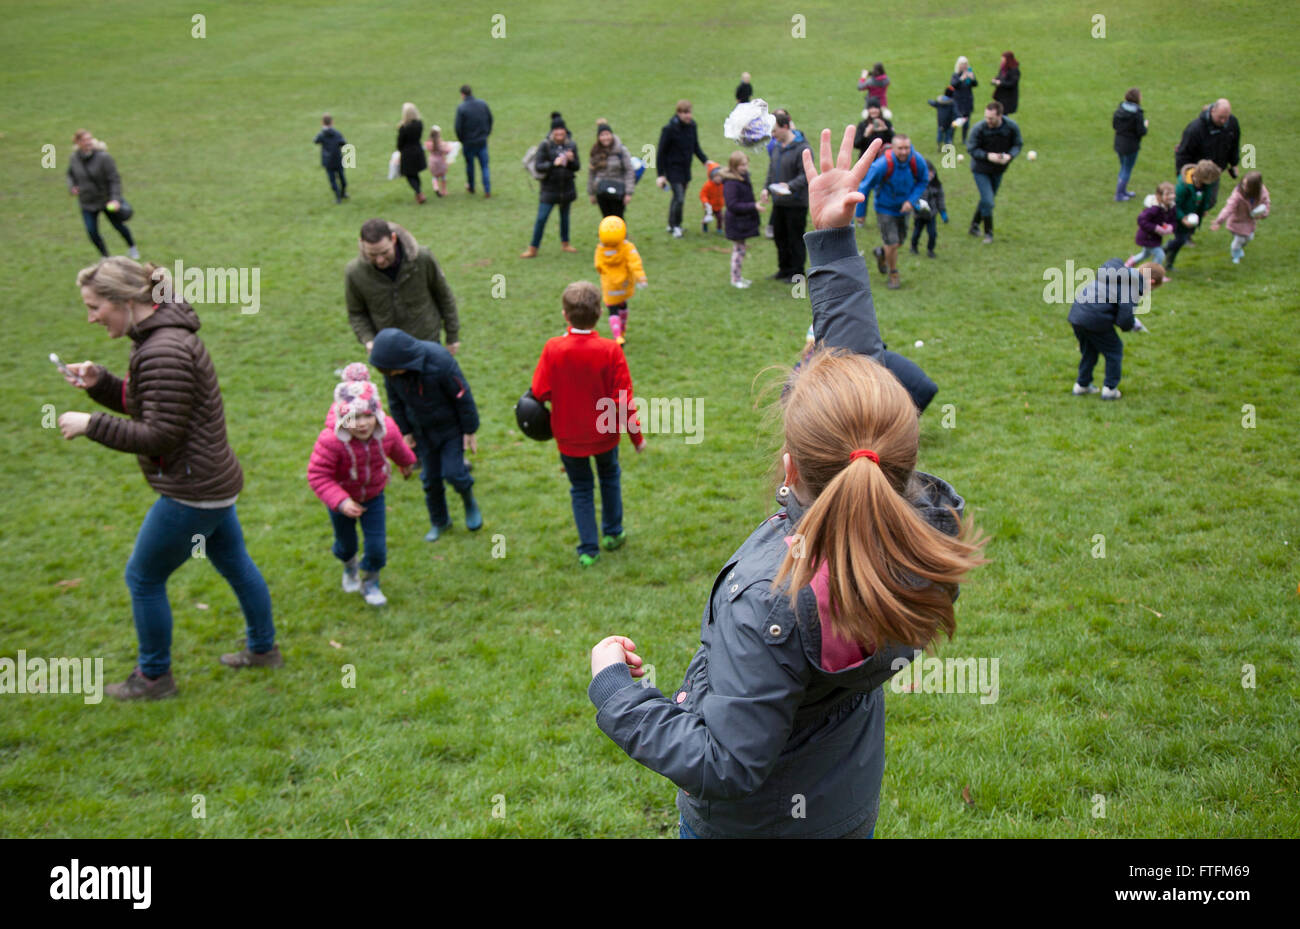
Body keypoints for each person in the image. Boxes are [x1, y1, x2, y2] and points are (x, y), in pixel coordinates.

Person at [586, 127, 986, 838]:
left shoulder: (769, 599)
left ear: (791, 468)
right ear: (899, 450)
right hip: (841, 798)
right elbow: (857, 388)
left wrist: (614, 687)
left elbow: (723, 759)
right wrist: (830, 242)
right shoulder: (921, 521)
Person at [56, 258, 279, 699]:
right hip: (212, 481)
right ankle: (263, 650)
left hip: (192, 491)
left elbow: (158, 432)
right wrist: (101, 382)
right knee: (235, 563)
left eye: (95, 306)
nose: (91, 317)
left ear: (124, 300)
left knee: (143, 578)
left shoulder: (163, 349)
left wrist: (91, 424)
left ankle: (154, 678)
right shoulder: (159, 338)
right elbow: (154, 403)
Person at [530, 281, 647, 565]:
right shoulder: (610, 351)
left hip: (569, 438)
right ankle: (613, 533)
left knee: (581, 488)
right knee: (609, 478)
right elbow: (623, 401)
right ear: (598, 313)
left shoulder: (553, 348)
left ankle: (588, 550)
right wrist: (637, 438)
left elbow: (539, 391)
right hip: (604, 436)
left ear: (565, 314)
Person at [307, 364, 416, 606]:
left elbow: (397, 446)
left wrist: (407, 462)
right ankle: (349, 566)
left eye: (367, 416)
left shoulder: (385, 430)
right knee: (346, 545)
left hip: (374, 495)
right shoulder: (331, 441)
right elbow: (317, 475)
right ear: (342, 417)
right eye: (353, 417)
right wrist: (341, 501)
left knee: (377, 547)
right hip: (342, 499)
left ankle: (371, 581)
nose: (362, 424)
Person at [368, 328, 481, 541]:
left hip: (450, 429)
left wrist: (469, 430)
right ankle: (440, 521)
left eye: (390, 371)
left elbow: (462, 395)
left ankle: (469, 501)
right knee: (430, 480)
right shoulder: (392, 372)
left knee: (454, 473)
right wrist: (406, 431)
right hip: (422, 432)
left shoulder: (439, 361)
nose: (388, 376)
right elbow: (395, 402)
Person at [345, 219, 461, 354]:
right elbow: (356, 313)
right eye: (372, 255)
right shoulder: (355, 273)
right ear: (362, 243)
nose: (380, 260)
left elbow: (444, 296)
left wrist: (452, 336)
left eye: (384, 252)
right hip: (390, 350)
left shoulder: (423, 259)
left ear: (393, 239)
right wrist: (369, 340)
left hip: (428, 343)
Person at [1068, 259, 1163, 400]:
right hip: (1095, 319)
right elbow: (1124, 318)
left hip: (1077, 316)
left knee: (1090, 351)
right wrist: (1132, 325)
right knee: (1114, 351)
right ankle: (1110, 389)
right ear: (1151, 282)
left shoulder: (1116, 273)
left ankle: (1082, 385)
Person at [858, 135, 929, 289]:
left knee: (899, 242)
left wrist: (911, 201)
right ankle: (893, 274)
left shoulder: (916, 161)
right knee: (892, 243)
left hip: (904, 208)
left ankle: (881, 253)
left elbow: (923, 180)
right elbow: (864, 187)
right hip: (885, 209)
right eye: (900, 148)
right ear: (893, 148)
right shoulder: (881, 165)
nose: (904, 152)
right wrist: (860, 214)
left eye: (907, 148)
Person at [67, 129, 138, 259]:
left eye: (90, 139)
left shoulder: (103, 158)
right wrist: (72, 187)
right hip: (87, 202)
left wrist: (115, 199)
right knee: (92, 231)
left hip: (106, 200)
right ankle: (105, 256)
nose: (88, 142)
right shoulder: (74, 158)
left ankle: (132, 247)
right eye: (84, 140)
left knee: (119, 226)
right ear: (78, 142)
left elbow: (114, 179)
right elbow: (70, 175)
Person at [761, 112, 812, 282]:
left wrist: (789, 186)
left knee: (795, 239)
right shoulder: (777, 146)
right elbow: (771, 170)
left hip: (796, 202)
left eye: (774, 131)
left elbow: (806, 175)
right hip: (779, 201)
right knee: (779, 236)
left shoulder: (803, 148)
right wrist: (766, 189)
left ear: (785, 127)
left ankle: (797, 274)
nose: (772, 135)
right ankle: (784, 269)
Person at [1174, 98, 1240, 229]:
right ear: (1213, 111)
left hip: (1214, 173)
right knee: (1191, 202)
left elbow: (1234, 144)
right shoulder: (1195, 129)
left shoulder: (1232, 123)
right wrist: (1182, 176)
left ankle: (1193, 218)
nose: (1224, 121)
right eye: (1221, 117)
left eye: (1226, 117)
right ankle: (1185, 229)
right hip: (1196, 174)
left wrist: (1234, 163)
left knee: (1209, 201)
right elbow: (1183, 153)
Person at [521, 113, 581, 258]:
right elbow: (539, 166)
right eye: (557, 131)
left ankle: (565, 243)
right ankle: (533, 248)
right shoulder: (545, 145)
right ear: (553, 132)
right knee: (541, 218)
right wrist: (554, 164)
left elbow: (577, 167)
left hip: (566, 188)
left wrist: (572, 160)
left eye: (562, 131)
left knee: (565, 218)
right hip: (549, 190)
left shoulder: (571, 145)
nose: (560, 134)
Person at [964, 100, 1022, 244]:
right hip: (980, 169)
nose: (988, 120)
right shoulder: (979, 128)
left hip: (999, 170)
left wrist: (1010, 156)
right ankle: (988, 233)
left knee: (986, 199)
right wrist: (987, 156)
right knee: (988, 201)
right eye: (986, 117)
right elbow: (971, 148)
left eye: (991, 118)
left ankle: (974, 225)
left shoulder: (1011, 127)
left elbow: (1017, 144)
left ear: (1000, 116)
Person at [655, 100, 710, 238]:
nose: (688, 116)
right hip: (673, 169)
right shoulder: (669, 129)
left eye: (689, 112)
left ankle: (671, 223)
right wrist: (660, 174)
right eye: (684, 113)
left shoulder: (692, 126)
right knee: (679, 198)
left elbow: (695, 146)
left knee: (678, 198)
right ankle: (676, 226)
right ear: (678, 113)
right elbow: (661, 152)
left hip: (686, 168)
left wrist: (705, 161)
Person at [594, 216, 648, 344]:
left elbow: (598, 266)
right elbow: (635, 262)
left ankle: (617, 336)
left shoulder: (601, 249)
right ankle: (623, 330)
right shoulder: (627, 246)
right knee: (623, 305)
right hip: (624, 284)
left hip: (610, 285)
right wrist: (641, 277)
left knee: (613, 310)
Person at [1163, 159, 1221, 272]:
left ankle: (1169, 263)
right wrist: (1182, 218)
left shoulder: (1205, 185)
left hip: (1191, 217)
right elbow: (1175, 205)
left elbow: (1205, 197)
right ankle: (1161, 251)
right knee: (1179, 240)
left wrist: (1203, 209)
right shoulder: (1183, 187)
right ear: (1202, 177)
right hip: (1180, 218)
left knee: (1181, 241)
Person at [722, 150, 764, 288]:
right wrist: (753, 206)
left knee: (741, 250)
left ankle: (738, 277)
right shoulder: (731, 183)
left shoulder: (743, 177)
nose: (745, 167)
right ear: (734, 166)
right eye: (742, 165)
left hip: (742, 221)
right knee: (739, 252)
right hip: (736, 222)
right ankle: (735, 279)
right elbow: (732, 205)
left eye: (746, 164)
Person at [1209, 170, 1270, 264]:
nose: (1244, 187)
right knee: (1239, 240)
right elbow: (1228, 208)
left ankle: (1239, 249)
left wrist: (1263, 214)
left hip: (1250, 221)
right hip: (1237, 221)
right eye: (1243, 184)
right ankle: (1235, 255)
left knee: (1249, 238)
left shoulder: (1262, 192)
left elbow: (1266, 203)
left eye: (1247, 186)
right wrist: (1219, 221)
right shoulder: (1238, 195)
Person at [587, 120, 636, 219]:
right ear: (598, 137)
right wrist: (591, 193)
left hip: (618, 190)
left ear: (611, 135)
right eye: (602, 135)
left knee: (618, 218)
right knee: (606, 219)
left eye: (607, 134)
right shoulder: (595, 151)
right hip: (601, 190)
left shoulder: (621, 150)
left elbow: (629, 171)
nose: (605, 138)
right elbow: (592, 173)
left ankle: (622, 235)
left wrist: (628, 192)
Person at [454, 84, 493, 198]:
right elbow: (490, 119)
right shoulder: (482, 104)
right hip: (482, 141)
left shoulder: (462, 108)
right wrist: (486, 133)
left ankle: (471, 187)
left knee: (470, 166)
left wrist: (462, 140)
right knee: (484, 166)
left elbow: (458, 127)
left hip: (469, 142)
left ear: (462, 94)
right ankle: (487, 190)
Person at [1126, 182, 1176, 267]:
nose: (1171, 196)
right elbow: (1141, 220)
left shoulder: (1171, 207)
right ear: (1159, 196)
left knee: (1146, 254)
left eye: (1172, 193)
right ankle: (1153, 274)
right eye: (1167, 194)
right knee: (1160, 255)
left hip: (1155, 237)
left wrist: (1171, 227)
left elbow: (1173, 220)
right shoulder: (1154, 209)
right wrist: (1156, 228)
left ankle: (1130, 262)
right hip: (1147, 236)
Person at [1111, 88, 1148, 201]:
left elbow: (1114, 125)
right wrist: (1145, 125)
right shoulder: (1137, 114)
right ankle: (1119, 195)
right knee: (1126, 169)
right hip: (1131, 146)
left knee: (1123, 167)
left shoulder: (1119, 110)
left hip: (1119, 143)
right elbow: (1141, 132)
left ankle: (1123, 191)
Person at [910, 163, 948, 258]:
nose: (930, 175)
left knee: (932, 233)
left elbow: (940, 198)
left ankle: (930, 250)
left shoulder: (937, 185)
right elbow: (911, 198)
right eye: (928, 173)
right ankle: (913, 246)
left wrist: (942, 211)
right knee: (917, 232)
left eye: (932, 173)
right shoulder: (916, 185)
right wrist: (916, 206)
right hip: (919, 215)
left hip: (931, 215)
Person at [396, 103, 426, 204]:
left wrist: (399, 150)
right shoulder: (419, 124)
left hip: (407, 154)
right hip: (417, 151)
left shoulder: (404, 127)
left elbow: (400, 142)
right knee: (415, 173)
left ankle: (418, 192)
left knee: (409, 175)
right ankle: (419, 192)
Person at [314, 114, 348, 204]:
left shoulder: (322, 134)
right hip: (337, 159)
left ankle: (338, 197)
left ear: (322, 122)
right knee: (342, 177)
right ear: (332, 122)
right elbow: (343, 142)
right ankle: (343, 193)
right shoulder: (336, 133)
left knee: (332, 180)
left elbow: (316, 140)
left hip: (328, 161)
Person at [950, 56, 978, 144]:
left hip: (967, 101)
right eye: (962, 64)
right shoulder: (955, 75)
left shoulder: (969, 73)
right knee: (956, 120)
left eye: (965, 64)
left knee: (966, 121)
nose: (964, 66)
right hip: (958, 101)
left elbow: (975, 84)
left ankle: (964, 139)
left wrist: (972, 78)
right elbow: (953, 85)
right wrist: (961, 78)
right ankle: (950, 138)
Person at [425, 125, 452, 198]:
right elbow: (447, 151)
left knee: (435, 176)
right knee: (443, 176)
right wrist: (449, 146)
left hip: (432, 162)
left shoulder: (429, 143)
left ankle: (436, 188)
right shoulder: (440, 143)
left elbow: (426, 148)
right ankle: (444, 190)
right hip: (441, 162)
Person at [699, 161, 725, 234]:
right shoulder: (708, 185)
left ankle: (719, 228)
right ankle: (704, 226)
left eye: (720, 176)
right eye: (716, 177)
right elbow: (702, 194)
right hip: (709, 207)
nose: (718, 178)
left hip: (718, 205)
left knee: (720, 217)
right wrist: (706, 202)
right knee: (707, 218)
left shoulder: (723, 184)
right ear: (711, 177)